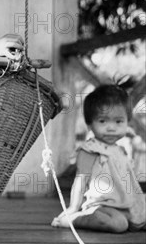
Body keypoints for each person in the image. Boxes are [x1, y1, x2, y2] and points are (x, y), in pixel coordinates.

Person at [51, 84, 146, 233]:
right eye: (102, 121)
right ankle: (77, 219)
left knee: (138, 219)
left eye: (118, 121)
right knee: (118, 224)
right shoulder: (91, 150)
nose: (111, 127)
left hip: (127, 203)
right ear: (90, 124)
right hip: (103, 206)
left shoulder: (120, 150)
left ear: (127, 122)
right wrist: (73, 207)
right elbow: (80, 180)